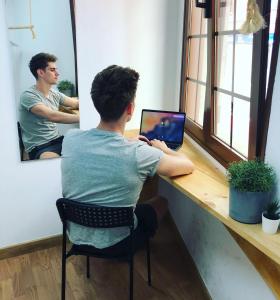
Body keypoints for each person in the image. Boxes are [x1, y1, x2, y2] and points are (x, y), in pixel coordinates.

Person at [61, 65, 194, 256]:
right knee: (161, 201)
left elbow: (103, 149)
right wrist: (164, 149)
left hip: (77, 235)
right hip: (120, 242)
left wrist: (126, 143)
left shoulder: (71, 139)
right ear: (130, 108)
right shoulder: (139, 153)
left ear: (95, 102)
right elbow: (188, 165)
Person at [19, 52, 80, 160]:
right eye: (52, 70)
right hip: (39, 147)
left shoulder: (54, 93)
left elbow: (75, 103)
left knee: (86, 149)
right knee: (53, 162)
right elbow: (53, 116)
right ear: (41, 72)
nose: (57, 73)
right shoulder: (28, 96)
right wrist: (82, 117)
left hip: (57, 140)